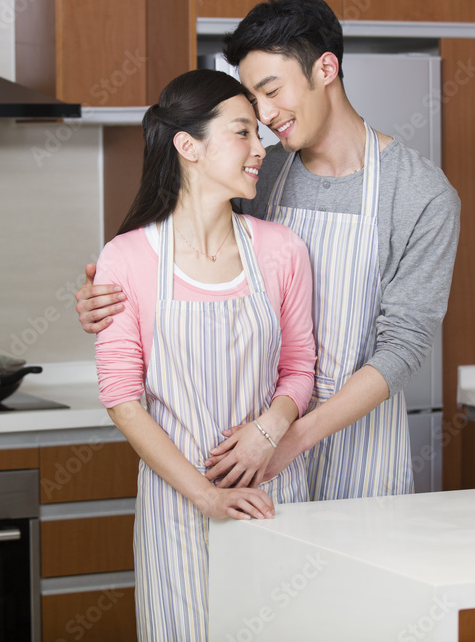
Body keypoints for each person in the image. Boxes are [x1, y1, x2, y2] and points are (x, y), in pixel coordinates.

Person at [80, 0, 460, 501]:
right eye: (252, 100)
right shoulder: (261, 172)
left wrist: (289, 437)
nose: (264, 115)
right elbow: (196, 261)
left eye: (272, 90)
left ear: (325, 68)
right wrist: (109, 301)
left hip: (358, 448)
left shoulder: (421, 193)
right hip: (254, 445)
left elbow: (404, 345)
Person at [94, 68, 315, 640]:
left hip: (274, 498)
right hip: (178, 509)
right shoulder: (126, 258)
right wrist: (206, 494)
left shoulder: (282, 250)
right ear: (188, 146)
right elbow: (122, 397)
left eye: (258, 133)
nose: (260, 148)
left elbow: (299, 370)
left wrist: (270, 426)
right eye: (243, 132)